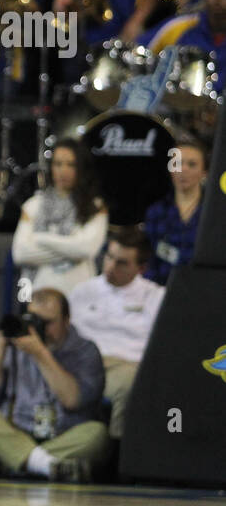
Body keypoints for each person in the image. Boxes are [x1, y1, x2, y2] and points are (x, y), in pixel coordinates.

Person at [0, 288, 108, 482]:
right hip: (15, 430)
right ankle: (46, 465)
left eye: (47, 323)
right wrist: (0, 347)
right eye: (34, 320)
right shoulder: (17, 344)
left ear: (66, 320)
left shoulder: (85, 351)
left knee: (97, 434)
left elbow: (73, 400)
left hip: (62, 434)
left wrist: (41, 354)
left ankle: (11, 461)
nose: (40, 329)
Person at [68, 230, 166, 440]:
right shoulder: (82, 291)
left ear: (141, 268)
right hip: (82, 363)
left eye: (122, 262)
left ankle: (118, 450)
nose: (111, 267)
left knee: (131, 384)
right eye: (109, 257)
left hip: (127, 366)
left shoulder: (156, 297)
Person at [12, 138, 109, 294]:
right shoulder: (33, 205)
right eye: (58, 164)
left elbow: (86, 250)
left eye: (71, 164)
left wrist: (40, 238)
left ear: (81, 168)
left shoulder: (96, 207)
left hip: (80, 294)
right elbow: (20, 253)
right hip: (38, 294)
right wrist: (71, 249)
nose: (63, 171)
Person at [143, 139, 208, 286]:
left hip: (204, 290)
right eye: (177, 163)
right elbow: (149, 259)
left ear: (204, 172)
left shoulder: (214, 213)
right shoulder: (156, 211)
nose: (183, 169)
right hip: (160, 290)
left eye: (192, 164)